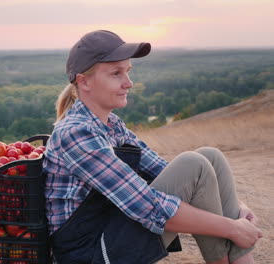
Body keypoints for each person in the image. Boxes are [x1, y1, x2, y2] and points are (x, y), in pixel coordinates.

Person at [42, 30, 262, 264]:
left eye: (127, 71)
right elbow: (148, 207)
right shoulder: (76, 133)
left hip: (112, 234)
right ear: (84, 81)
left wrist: (236, 206)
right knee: (193, 163)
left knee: (210, 157)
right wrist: (231, 228)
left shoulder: (112, 125)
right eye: (116, 73)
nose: (129, 83)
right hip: (91, 254)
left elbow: (167, 172)